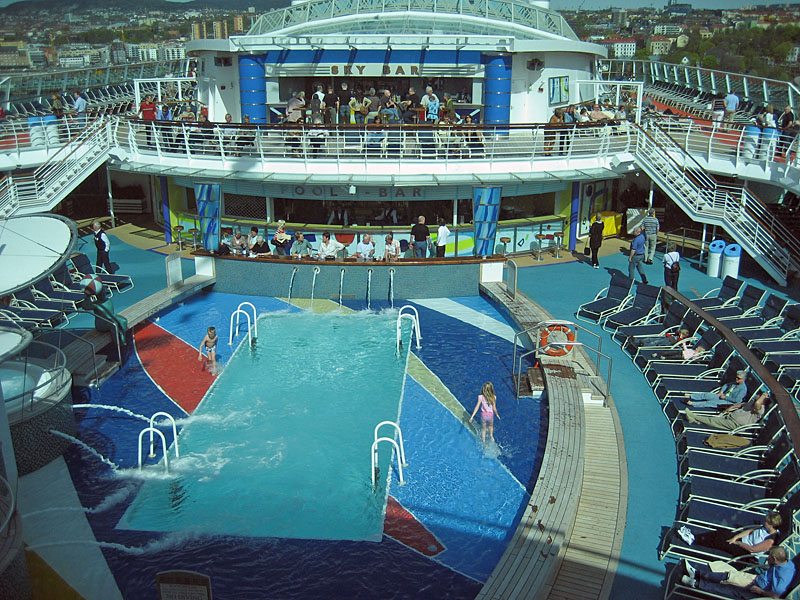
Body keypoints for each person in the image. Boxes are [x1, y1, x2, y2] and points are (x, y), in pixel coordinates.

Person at [681, 546, 795, 599]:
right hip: (757, 579)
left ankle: (696, 583)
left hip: (758, 591)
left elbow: (776, 597)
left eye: (769, 558)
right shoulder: (788, 564)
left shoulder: (783, 578)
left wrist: (761, 591)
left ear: (775, 560)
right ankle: (697, 573)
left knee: (729, 588)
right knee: (729, 575)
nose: (767, 559)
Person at [677, 512, 781, 559]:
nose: (764, 522)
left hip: (745, 552)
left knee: (721, 542)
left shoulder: (770, 541)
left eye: (767, 522)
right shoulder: (765, 528)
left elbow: (752, 549)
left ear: (771, 525)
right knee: (722, 532)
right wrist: (736, 536)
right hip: (741, 541)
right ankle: (694, 537)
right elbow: (750, 531)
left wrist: (738, 543)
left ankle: (694, 541)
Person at [684, 390, 770, 431]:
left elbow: (758, 403)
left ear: (762, 400)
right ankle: (694, 420)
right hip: (730, 417)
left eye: (758, 396)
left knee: (713, 420)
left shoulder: (760, 409)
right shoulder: (752, 402)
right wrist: (731, 407)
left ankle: (694, 416)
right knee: (714, 421)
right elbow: (742, 404)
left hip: (736, 424)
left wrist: (764, 395)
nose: (756, 397)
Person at [682, 371, 748, 408]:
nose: (736, 379)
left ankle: (693, 403)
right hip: (722, 396)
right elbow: (726, 385)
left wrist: (725, 397)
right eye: (736, 377)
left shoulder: (743, 389)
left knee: (711, 403)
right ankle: (691, 396)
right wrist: (721, 391)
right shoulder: (734, 383)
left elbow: (736, 400)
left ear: (743, 379)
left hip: (729, 402)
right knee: (707, 395)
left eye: (738, 378)